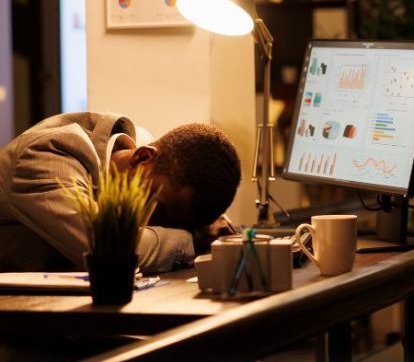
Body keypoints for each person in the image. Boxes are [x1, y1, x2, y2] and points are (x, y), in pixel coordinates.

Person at [0, 112, 242, 273]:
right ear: (142, 157)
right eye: (157, 209)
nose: (154, 225)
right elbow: (111, 252)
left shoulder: (147, 157)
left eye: (176, 226)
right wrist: (194, 238)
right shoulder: (46, 155)